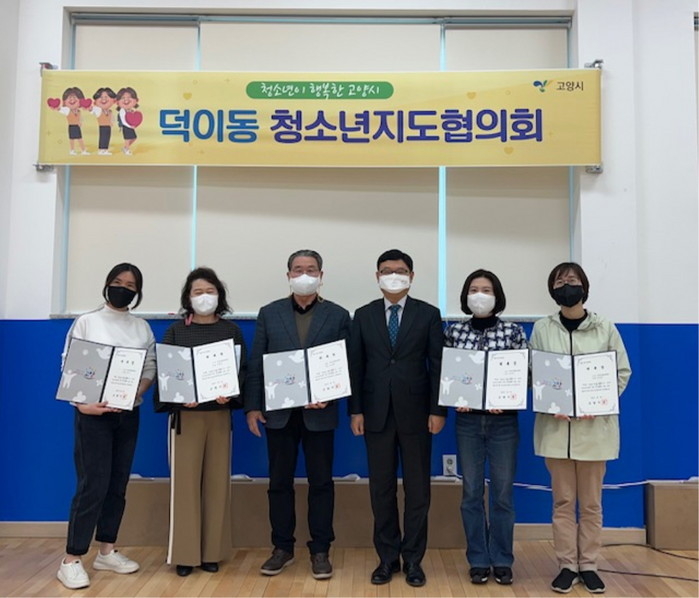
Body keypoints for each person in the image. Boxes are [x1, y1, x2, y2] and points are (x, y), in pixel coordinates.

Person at [244, 250, 351, 580]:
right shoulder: (269, 313)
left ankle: (320, 549)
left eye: (311, 269)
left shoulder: (338, 315)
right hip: (278, 414)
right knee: (279, 483)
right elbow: (257, 363)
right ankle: (282, 548)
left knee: (322, 483)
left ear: (321, 275)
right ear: (288, 275)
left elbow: (346, 364)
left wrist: (330, 395)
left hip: (320, 415)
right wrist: (252, 407)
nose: (305, 275)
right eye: (298, 269)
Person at [531, 262, 631, 594]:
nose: (566, 285)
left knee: (590, 504)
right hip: (556, 430)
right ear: (552, 290)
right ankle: (566, 565)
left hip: (594, 431)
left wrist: (597, 403)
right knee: (562, 502)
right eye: (559, 281)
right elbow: (534, 373)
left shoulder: (605, 327)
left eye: (572, 280)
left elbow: (621, 373)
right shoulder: (542, 328)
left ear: (584, 286)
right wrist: (551, 401)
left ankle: (588, 565)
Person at [349, 249, 446, 588]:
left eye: (400, 270)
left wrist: (438, 410)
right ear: (377, 276)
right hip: (375, 414)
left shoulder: (428, 314)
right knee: (382, 490)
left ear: (411, 276)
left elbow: (437, 365)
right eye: (387, 270)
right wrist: (356, 410)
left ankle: (413, 560)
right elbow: (356, 366)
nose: (394, 275)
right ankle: (387, 558)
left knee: (418, 492)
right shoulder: (363, 315)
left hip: (418, 415)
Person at [57, 263, 156, 590]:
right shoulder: (87, 322)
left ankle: (106, 550)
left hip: (128, 414)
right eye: (117, 282)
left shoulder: (141, 328)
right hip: (92, 415)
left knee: (117, 483)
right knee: (93, 484)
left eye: (130, 285)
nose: (123, 288)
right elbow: (70, 364)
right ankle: (71, 558)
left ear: (137, 292)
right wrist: (82, 404)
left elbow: (150, 367)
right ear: (107, 284)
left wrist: (136, 392)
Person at [155, 267, 247, 577]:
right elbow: (167, 375)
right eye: (198, 292)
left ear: (219, 295)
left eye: (210, 291)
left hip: (219, 416)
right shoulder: (176, 332)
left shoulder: (231, 331)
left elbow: (242, 372)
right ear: (188, 297)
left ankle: (212, 552)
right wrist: (179, 397)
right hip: (186, 419)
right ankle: (185, 554)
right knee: (185, 486)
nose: (204, 297)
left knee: (217, 485)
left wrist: (230, 394)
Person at [443, 269, 528, 586]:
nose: (480, 295)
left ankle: (502, 559)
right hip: (467, 421)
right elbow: (447, 374)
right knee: (471, 493)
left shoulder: (513, 332)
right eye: (474, 289)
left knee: (503, 494)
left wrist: (506, 399)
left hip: (503, 422)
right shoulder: (454, 332)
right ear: (466, 296)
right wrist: (456, 397)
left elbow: (524, 374)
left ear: (497, 296)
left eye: (487, 290)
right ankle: (478, 559)